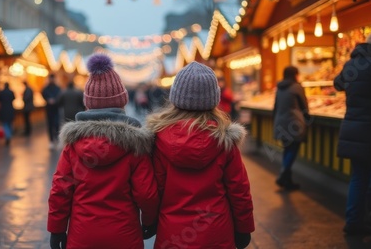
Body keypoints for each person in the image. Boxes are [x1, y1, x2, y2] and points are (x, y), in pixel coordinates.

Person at [48, 54, 159, 249]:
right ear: (122, 101)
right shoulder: (135, 145)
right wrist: (149, 221)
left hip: (82, 236)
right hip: (124, 236)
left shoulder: (73, 145)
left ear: (88, 102)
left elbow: (61, 190)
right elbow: (146, 193)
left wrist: (56, 229)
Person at [146, 61, 254, 249]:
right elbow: (239, 189)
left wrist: (151, 222)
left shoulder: (159, 139)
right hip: (216, 233)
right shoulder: (224, 140)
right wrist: (244, 228)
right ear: (213, 99)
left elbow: (156, 190)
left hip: (173, 233)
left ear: (176, 97)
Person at [334, 30, 371, 235]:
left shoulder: (352, 63)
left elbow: (338, 84)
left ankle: (353, 222)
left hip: (352, 128)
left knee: (358, 177)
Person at [273, 66, 309, 190]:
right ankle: (283, 174)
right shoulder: (297, 87)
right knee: (292, 149)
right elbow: (304, 106)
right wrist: (307, 119)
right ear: (295, 74)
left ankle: (287, 180)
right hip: (294, 123)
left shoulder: (279, 88)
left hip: (281, 123)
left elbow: (275, 107)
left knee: (287, 149)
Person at [41, 74, 61, 148]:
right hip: (49, 109)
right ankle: (51, 141)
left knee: (56, 124)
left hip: (55, 108)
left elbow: (60, 96)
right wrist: (48, 100)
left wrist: (55, 101)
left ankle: (57, 139)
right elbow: (43, 94)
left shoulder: (57, 88)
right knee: (50, 125)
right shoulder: (46, 88)